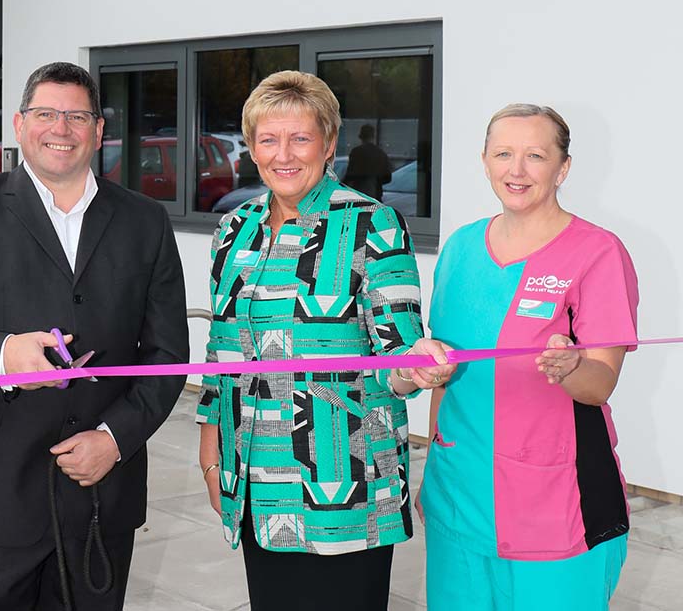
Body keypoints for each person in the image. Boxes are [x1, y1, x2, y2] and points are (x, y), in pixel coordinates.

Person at [0, 61, 188, 611]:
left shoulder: (144, 221)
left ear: (99, 130)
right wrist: (6, 353)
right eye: (46, 113)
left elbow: (168, 355)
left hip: (100, 491)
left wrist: (115, 438)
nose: (61, 128)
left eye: (77, 116)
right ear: (18, 123)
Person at [196, 70, 455, 610]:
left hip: (344, 493)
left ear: (330, 144)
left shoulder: (371, 223)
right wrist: (211, 453)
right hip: (256, 486)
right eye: (268, 139)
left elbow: (398, 354)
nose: (283, 154)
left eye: (300, 137)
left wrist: (417, 367)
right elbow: (222, 355)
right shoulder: (234, 228)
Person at [420, 104, 638, 610]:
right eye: (504, 154)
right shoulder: (460, 248)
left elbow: (600, 382)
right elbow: (444, 372)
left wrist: (571, 368)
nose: (516, 170)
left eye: (535, 156)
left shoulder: (598, 253)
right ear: (485, 160)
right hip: (459, 491)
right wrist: (433, 461)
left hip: (557, 503)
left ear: (562, 168)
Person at [341, 124, 392, 201]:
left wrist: (341, 186)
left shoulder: (357, 152)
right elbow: (387, 177)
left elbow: (350, 175)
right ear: (373, 136)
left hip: (359, 194)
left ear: (360, 136)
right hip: (376, 195)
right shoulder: (380, 153)